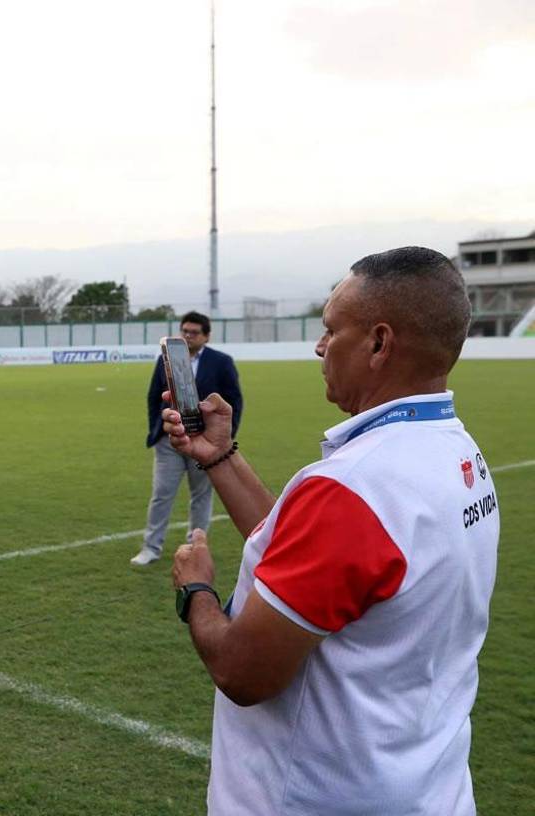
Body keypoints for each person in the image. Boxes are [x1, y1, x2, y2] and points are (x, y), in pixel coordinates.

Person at [165, 247, 499, 815]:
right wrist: (221, 458)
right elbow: (315, 559)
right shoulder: (457, 453)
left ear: (378, 343)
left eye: (331, 329)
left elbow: (243, 672)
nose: (320, 346)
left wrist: (195, 590)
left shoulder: (356, 486)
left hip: (316, 798)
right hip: (426, 791)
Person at [132, 311, 242, 566]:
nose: (188, 336)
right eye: (185, 331)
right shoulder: (165, 359)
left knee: (201, 496)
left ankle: (196, 548)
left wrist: (225, 437)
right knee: (161, 494)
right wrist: (157, 428)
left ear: (206, 336)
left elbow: (234, 400)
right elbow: (153, 397)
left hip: (203, 441)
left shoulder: (221, 362)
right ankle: (151, 547)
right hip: (169, 441)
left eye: (194, 332)